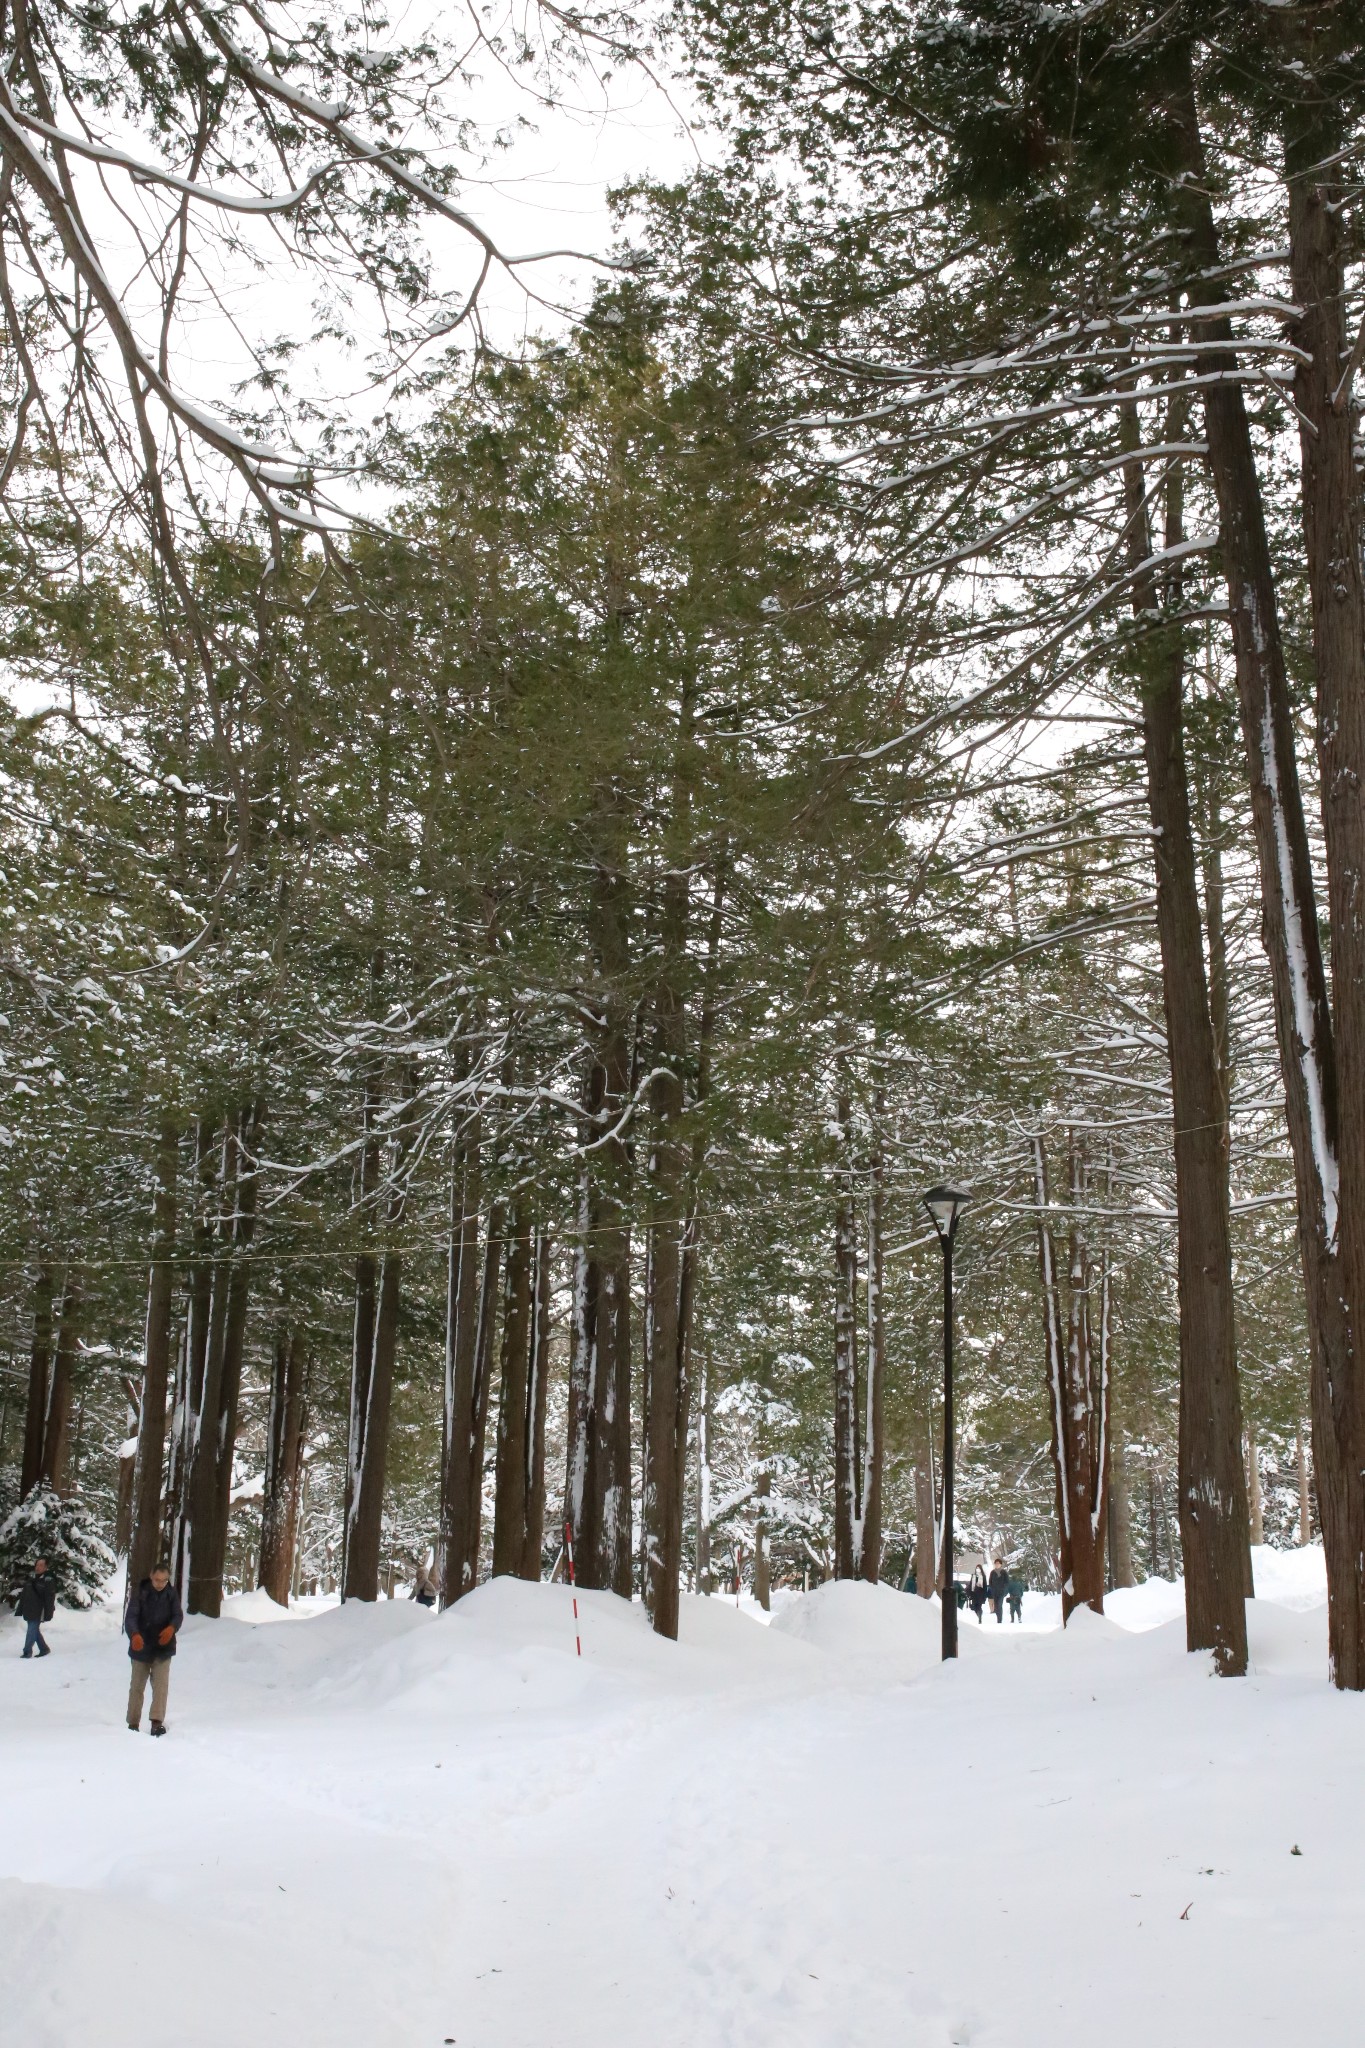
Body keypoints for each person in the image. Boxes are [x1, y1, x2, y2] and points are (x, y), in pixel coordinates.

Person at [124, 1561, 183, 1735]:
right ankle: (132, 1723)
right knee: (136, 1686)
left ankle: (157, 1722)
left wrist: (172, 1628)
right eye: (157, 1580)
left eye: (164, 1581)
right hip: (141, 1646)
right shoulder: (140, 1594)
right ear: (151, 1576)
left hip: (163, 1648)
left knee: (161, 1686)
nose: (160, 1584)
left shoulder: (171, 1594)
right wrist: (134, 1634)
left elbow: (177, 1615)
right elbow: (131, 1617)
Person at [16, 1557, 57, 1658]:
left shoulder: (48, 1581)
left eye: (41, 1565)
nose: (38, 1567)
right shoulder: (31, 1580)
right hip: (28, 1610)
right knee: (34, 1630)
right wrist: (20, 1609)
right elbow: (24, 1596)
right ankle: (44, 1649)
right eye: (37, 1565)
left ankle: (27, 1651)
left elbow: (49, 1598)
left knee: (31, 1630)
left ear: (46, 1567)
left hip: (39, 1611)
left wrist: (48, 1613)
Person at [987, 1556, 1009, 1624]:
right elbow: (990, 1581)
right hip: (994, 1592)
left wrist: (1005, 1590)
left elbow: (1007, 1582)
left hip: (1001, 1592)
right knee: (996, 1606)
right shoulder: (992, 1572)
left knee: (999, 1605)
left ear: (1000, 1564)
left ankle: (999, 1620)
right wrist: (992, 1589)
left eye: (998, 1563)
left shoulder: (1004, 1572)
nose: (997, 1564)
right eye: (996, 1563)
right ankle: (998, 1618)